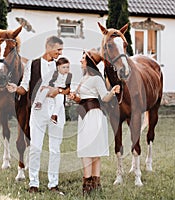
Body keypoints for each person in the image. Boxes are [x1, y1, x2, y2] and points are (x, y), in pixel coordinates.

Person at [6, 36, 68, 195]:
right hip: (38, 111)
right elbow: (24, 87)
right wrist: (15, 88)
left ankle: (53, 184)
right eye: (58, 49)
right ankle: (33, 183)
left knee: (55, 150)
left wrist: (58, 91)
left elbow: (65, 88)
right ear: (48, 47)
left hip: (56, 111)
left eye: (61, 50)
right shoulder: (32, 65)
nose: (60, 53)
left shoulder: (60, 65)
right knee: (35, 148)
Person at [68, 49, 120, 195]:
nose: (80, 61)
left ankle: (89, 184)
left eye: (83, 58)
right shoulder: (83, 78)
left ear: (89, 62)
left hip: (94, 116)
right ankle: (93, 185)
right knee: (89, 149)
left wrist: (112, 92)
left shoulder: (96, 79)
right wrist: (74, 97)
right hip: (84, 116)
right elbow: (81, 98)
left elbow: (103, 97)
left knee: (90, 149)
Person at [34, 57, 72, 124]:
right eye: (64, 67)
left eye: (67, 67)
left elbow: (68, 86)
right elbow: (50, 81)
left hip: (60, 91)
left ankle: (54, 115)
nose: (66, 69)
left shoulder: (69, 75)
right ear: (58, 68)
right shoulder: (55, 73)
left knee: (60, 100)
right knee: (44, 90)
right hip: (52, 87)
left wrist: (62, 91)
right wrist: (48, 87)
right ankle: (39, 102)